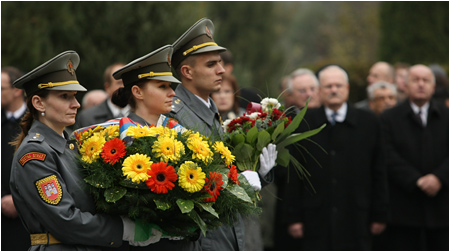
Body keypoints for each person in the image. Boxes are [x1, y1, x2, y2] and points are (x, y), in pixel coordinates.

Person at [9, 51, 162, 250]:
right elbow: (64, 220)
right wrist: (123, 229)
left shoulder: (71, 145)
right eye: (65, 97)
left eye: (75, 96)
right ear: (38, 103)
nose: (76, 104)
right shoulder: (35, 155)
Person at [167, 17, 277, 251]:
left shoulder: (208, 107)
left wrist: (259, 174)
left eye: (220, 63)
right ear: (186, 71)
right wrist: (241, 185)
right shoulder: (175, 114)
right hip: (201, 240)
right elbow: (186, 187)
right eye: (211, 64)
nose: (221, 70)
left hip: (225, 234)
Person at [283, 64, 388, 250]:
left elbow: (379, 171)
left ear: (347, 88)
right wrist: (294, 217)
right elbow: (295, 173)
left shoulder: (369, 122)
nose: (334, 90)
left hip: (357, 216)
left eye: (338, 86)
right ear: (320, 91)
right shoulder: (305, 123)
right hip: (315, 217)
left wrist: (379, 214)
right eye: (328, 86)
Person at [380, 64, 448, 250]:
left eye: (425, 80)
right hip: (404, 209)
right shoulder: (389, 117)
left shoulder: (447, 116)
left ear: (433, 87)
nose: (420, 84)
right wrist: (416, 180)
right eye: (415, 80)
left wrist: (439, 177)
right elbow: (387, 154)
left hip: (441, 208)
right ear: (404, 85)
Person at [1, 66, 30, 250]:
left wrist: (19, 200)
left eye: (1, 88)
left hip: (28, 219)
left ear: (17, 90)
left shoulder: (36, 122)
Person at [73, 62, 128, 129]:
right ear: (107, 87)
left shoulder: (141, 112)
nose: (124, 87)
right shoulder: (88, 117)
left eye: (127, 83)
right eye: (119, 83)